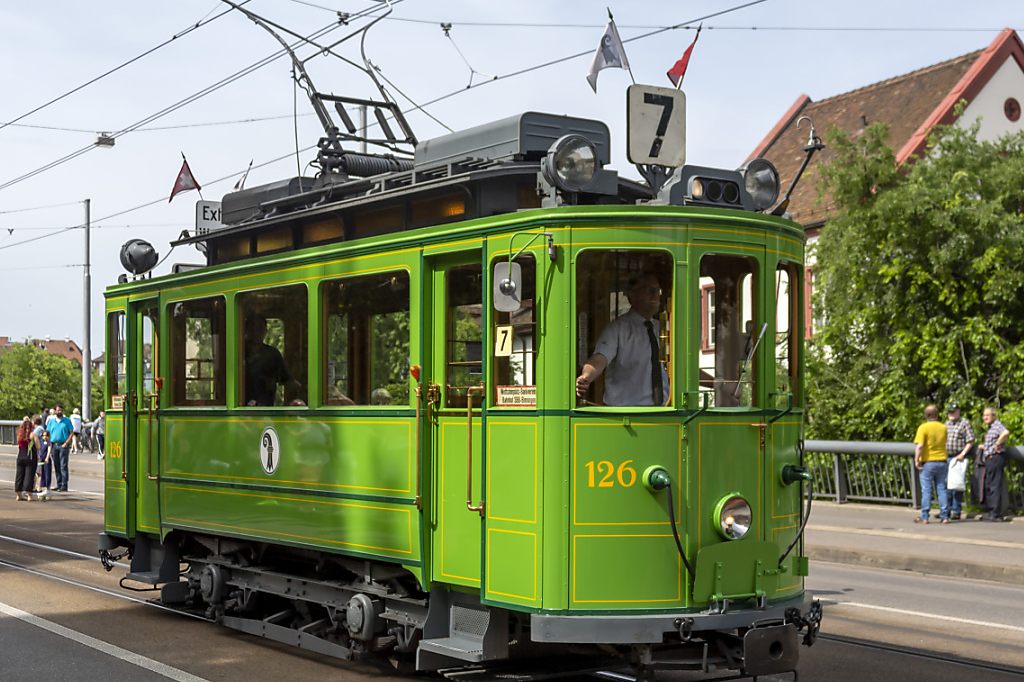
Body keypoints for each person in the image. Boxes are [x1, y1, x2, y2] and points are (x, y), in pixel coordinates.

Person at [576, 272, 669, 406]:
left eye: (657, 291)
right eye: (650, 290)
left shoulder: (663, 329)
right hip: (625, 412)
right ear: (632, 295)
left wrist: (709, 381)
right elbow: (600, 358)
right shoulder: (618, 329)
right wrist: (586, 377)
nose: (655, 295)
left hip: (663, 411)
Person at [244, 315, 295, 406]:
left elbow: (287, 380)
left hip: (266, 408)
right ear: (246, 330)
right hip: (241, 408)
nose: (256, 332)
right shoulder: (239, 353)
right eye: (253, 328)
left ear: (265, 331)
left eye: (260, 328)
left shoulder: (273, 355)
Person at [913, 404, 949, 524]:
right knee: (942, 489)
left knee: (927, 490)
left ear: (926, 415)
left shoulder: (923, 428)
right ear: (937, 414)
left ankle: (925, 516)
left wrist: (917, 460)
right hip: (943, 461)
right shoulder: (943, 427)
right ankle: (945, 516)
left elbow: (920, 446)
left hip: (928, 462)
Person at [979, 406, 1010, 522]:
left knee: (994, 485)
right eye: (984, 415)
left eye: (987, 415)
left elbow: (1005, 432)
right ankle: (992, 511)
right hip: (990, 458)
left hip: (995, 458)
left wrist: (997, 444)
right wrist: (985, 446)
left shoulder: (997, 425)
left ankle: (995, 513)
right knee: (989, 484)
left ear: (994, 416)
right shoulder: (991, 427)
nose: (985, 417)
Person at [944, 403, 974, 520]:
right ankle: (946, 510)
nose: (951, 414)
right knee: (946, 485)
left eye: (953, 411)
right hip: (946, 457)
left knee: (956, 485)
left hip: (958, 457)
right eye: (949, 412)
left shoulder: (964, 423)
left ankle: (956, 511)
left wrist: (963, 454)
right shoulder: (946, 424)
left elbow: (970, 440)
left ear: (958, 411)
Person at [46, 403, 74, 492]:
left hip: (63, 445)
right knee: (57, 465)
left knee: (63, 466)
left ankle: (64, 485)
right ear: (55, 411)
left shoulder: (67, 421)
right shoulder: (51, 421)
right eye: (57, 410)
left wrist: (66, 443)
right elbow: (47, 432)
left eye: (60, 410)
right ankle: (59, 484)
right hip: (54, 445)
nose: (59, 411)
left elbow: (71, 433)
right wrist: (47, 441)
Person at [14, 417, 37, 501]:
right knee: (29, 476)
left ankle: (18, 494)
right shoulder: (33, 434)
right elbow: (38, 446)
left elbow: (18, 444)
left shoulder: (19, 434)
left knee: (19, 475)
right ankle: (29, 495)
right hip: (30, 457)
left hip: (20, 456)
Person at [38, 429, 52, 498]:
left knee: (47, 475)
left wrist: (47, 457)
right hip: (41, 460)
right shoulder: (41, 442)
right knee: (42, 474)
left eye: (46, 435)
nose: (45, 437)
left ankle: (48, 490)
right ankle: (42, 490)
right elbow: (39, 450)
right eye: (43, 435)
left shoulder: (49, 442)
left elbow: (49, 449)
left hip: (46, 461)